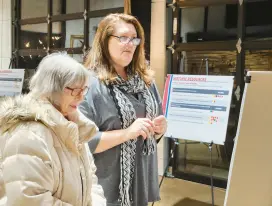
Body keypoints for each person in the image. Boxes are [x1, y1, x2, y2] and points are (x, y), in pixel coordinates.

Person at [79, 13, 167, 206]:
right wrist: (127, 133)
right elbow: (83, 140)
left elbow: (154, 127)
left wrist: (159, 129)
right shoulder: (89, 84)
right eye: (122, 38)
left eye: (134, 38)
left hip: (141, 182)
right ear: (104, 40)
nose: (130, 44)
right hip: (107, 187)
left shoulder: (146, 82)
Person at [0, 53, 106, 206]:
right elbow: (28, 199)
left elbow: (90, 180)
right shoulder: (28, 134)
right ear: (52, 88)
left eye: (84, 90)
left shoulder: (73, 125)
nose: (81, 97)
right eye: (75, 90)